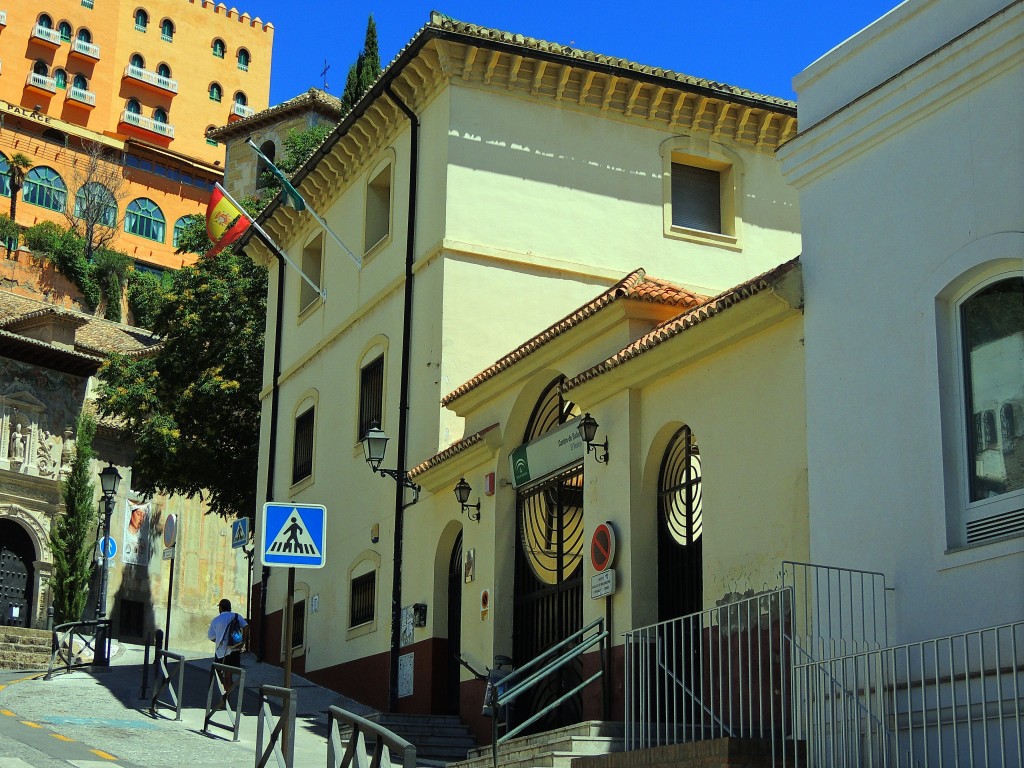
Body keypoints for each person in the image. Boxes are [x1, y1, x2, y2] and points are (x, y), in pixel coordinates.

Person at [208, 598, 247, 708]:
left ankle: (224, 692)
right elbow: (246, 626)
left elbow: (211, 636)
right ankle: (227, 698)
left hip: (220, 651)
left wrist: (219, 639)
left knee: (219, 673)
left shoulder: (216, 620)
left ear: (220, 607)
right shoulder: (236, 616)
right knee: (229, 675)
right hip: (234, 650)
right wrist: (244, 640)